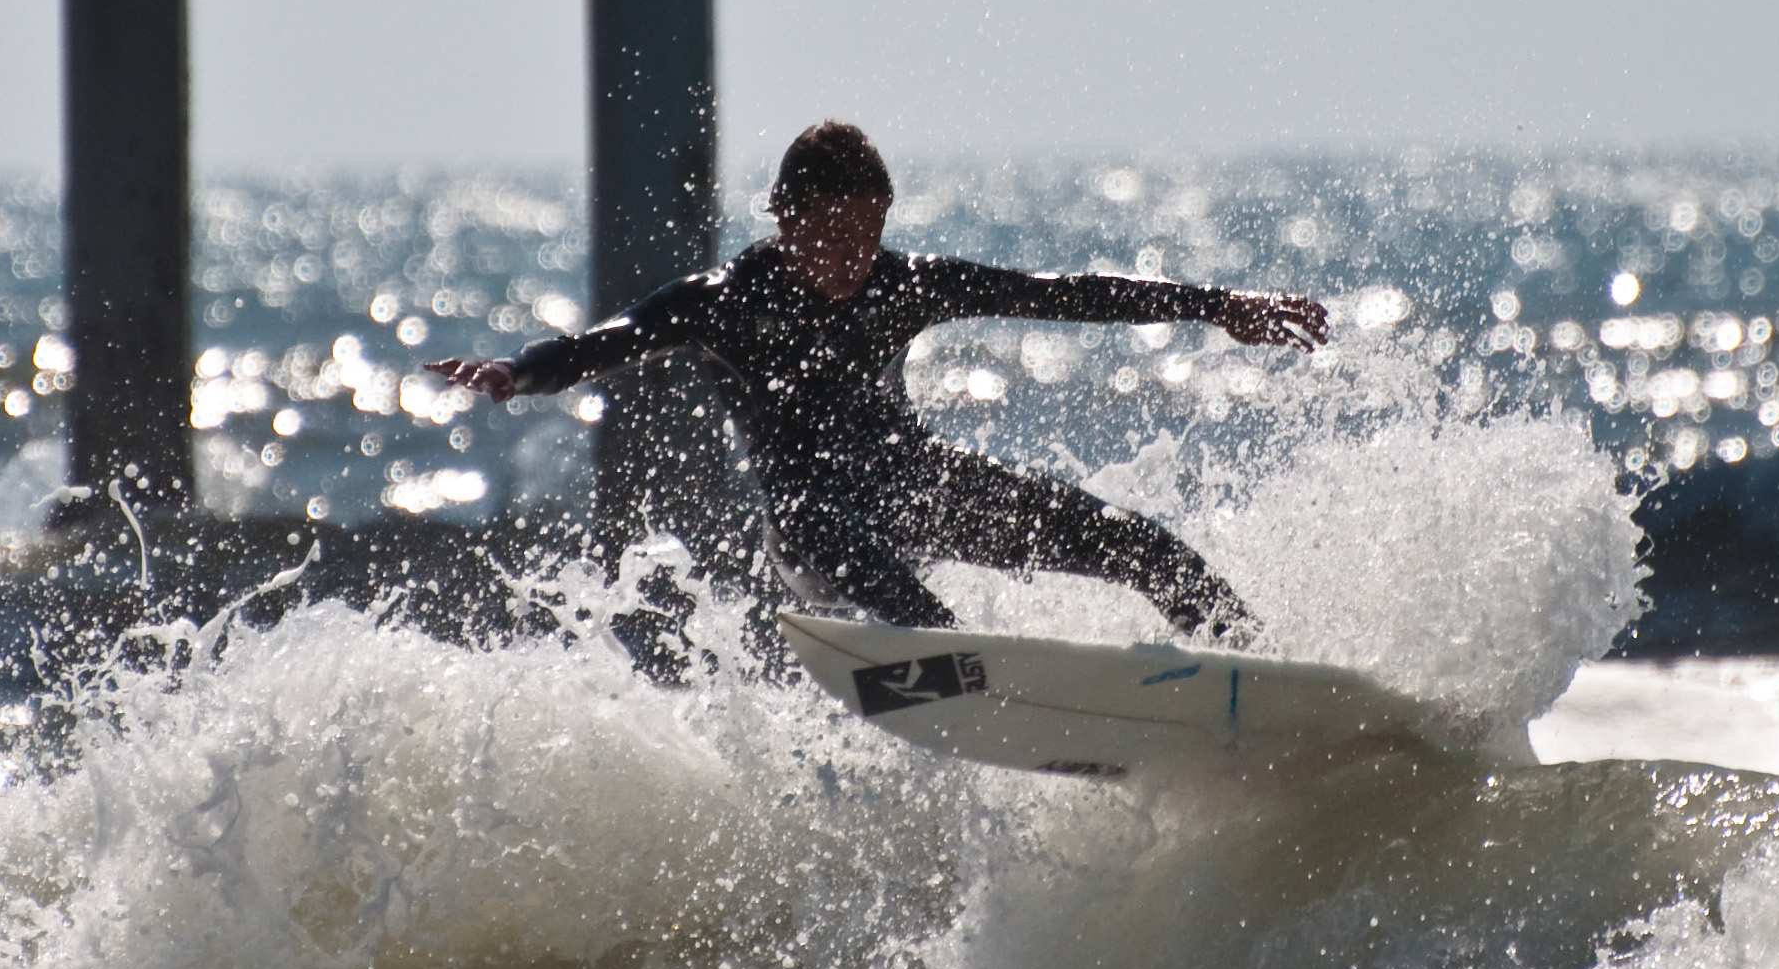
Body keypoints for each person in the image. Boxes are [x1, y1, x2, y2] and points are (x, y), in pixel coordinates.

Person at [427, 121, 1328, 643]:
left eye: (867, 234)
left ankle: (1253, 672)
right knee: (898, 591)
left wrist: (1217, 304)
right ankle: (973, 682)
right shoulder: (725, 300)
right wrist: (520, 372)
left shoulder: (902, 283)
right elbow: (611, 340)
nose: (851, 258)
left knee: (1139, 548)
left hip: (910, 488)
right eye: (830, 236)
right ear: (784, 220)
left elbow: (1060, 292)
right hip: (811, 525)